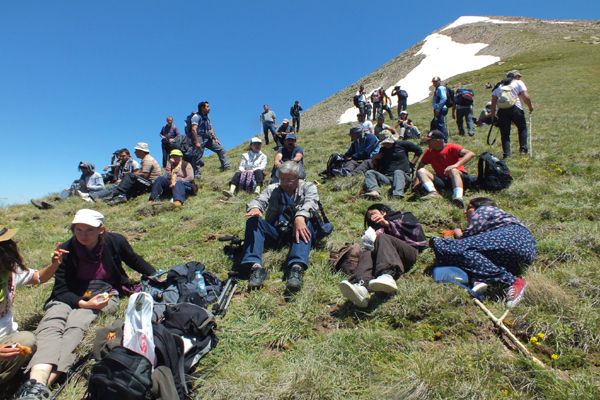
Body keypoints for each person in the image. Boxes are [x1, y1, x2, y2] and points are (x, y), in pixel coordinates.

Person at [14, 209, 156, 399]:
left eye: (89, 230)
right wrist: (81, 302)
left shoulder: (115, 242)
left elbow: (134, 260)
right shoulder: (66, 249)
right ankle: (36, 381)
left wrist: (156, 276)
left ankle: (41, 385)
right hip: (69, 295)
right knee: (51, 323)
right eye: (78, 230)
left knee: (76, 325)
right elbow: (62, 289)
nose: (83, 235)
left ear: (101, 230)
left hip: (102, 294)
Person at [430, 197, 536, 308]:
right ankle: (480, 279)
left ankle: (511, 282)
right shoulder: (499, 221)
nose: (465, 212)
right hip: (523, 250)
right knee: (470, 254)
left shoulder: (485, 210)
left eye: (469, 208)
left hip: (511, 239)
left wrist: (457, 234)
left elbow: (465, 239)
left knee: (441, 244)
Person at [0, 227, 67, 386]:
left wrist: (54, 265)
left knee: (26, 340)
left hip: (8, 341)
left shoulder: (10, 272)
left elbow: (37, 277)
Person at [239, 161, 320, 292]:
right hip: (276, 231)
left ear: (298, 177)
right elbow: (260, 200)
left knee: (306, 222)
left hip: (297, 231)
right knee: (253, 220)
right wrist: (255, 208)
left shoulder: (308, 187)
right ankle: (255, 267)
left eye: (290, 179)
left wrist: (300, 216)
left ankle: (296, 268)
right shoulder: (272, 188)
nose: (286, 183)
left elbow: (312, 202)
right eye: (282, 179)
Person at [338, 204, 426, 308]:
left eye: (373, 213)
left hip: (409, 253)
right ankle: (361, 286)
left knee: (382, 238)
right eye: (369, 217)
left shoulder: (403, 216)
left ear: (383, 211)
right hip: (388, 259)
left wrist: (387, 224)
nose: (371, 218)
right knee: (367, 249)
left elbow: (415, 232)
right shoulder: (376, 230)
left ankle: (387, 275)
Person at [416, 130, 476, 208]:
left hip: (459, 177)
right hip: (443, 181)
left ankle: (458, 197)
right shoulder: (429, 151)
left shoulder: (451, 147)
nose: (427, 143)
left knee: (453, 171)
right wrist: (417, 182)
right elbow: (420, 166)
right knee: (421, 171)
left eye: (429, 141)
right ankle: (433, 193)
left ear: (438, 141)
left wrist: (455, 165)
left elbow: (471, 153)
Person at [490, 70, 534, 158]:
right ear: (514, 77)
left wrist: (493, 116)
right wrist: (530, 107)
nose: (519, 78)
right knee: (522, 128)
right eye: (518, 76)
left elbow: (493, 102)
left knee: (505, 133)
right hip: (515, 109)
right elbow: (525, 97)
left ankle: (507, 154)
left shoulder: (498, 86)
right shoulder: (518, 83)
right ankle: (523, 150)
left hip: (502, 111)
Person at [190, 101, 230, 172]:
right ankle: (196, 175)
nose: (209, 108)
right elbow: (193, 129)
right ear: (202, 108)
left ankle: (226, 166)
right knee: (197, 157)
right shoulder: (196, 117)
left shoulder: (207, 117)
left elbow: (210, 129)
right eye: (207, 106)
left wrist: (216, 139)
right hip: (199, 138)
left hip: (208, 138)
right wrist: (196, 142)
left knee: (221, 149)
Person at [430, 76, 449, 142]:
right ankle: (433, 137)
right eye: (433, 82)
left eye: (435, 81)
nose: (434, 83)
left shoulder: (440, 88)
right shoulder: (438, 88)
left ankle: (444, 140)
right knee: (435, 123)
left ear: (439, 81)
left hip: (440, 109)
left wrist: (438, 109)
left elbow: (444, 98)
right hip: (440, 109)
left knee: (440, 124)